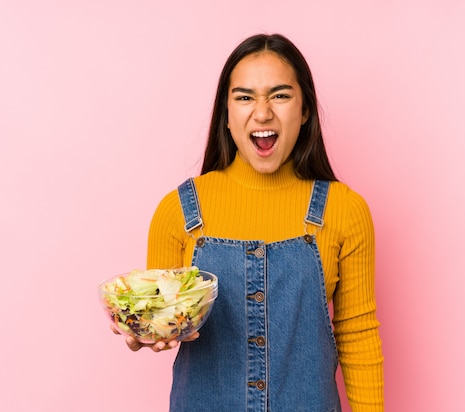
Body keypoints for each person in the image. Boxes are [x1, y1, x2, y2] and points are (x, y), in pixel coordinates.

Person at [116, 33, 384, 411]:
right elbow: (160, 316)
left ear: (305, 110)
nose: (262, 112)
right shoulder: (178, 212)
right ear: (226, 115)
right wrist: (142, 329)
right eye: (244, 97)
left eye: (280, 95)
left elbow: (358, 335)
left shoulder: (344, 210)